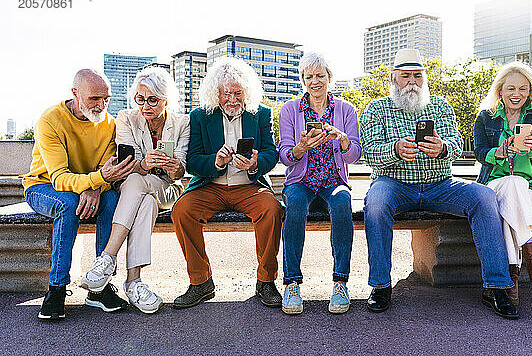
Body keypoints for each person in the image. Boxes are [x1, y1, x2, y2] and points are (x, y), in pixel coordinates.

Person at [360, 49, 519, 319]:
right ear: (392, 78)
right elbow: (370, 152)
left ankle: (497, 287)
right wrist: (395, 150)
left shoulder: (441, 105)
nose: (412, 82)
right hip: (394, 184)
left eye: (417, 76)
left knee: (484, 197)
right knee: (375, 204)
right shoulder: (376, 109)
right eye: (405, 76)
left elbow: (456, 144)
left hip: (439, 184)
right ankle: (380, 285)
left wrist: (442, 147)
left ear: (425, 78)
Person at [22, 69, 137, 320]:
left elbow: (112, 171)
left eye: (106, 98)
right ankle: (57, 288)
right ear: (75, 93)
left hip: (92, 187)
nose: (101, 105)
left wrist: (96, 186)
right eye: (94, 99)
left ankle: (100, 285)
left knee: (112, 201)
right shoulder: (50, 119)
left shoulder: (109, 124)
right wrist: (97, 180)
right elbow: (59, 177)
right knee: (68, 204)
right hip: (43, 187)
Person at [170, 56, 283, 309]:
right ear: (215, 93)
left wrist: (254, 162)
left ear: (247, 92)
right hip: (210, 185)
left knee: (272, 209)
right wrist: (217, 162)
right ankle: (200, 282)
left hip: (249, 186)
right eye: (226, 93)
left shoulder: (261, 113)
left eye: (238, 93)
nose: (232, 99)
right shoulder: (199, 116)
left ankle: (266, 280)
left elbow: (270, 153)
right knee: (182, 210)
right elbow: (193, 160)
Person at [80, 67, 189, 314]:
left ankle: (107, 258)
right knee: (144, 198)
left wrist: (174, 168)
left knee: (139, 185)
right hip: (137, 188)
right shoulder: (126, 118)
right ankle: (134, 282)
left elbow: (181, 171)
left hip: (167, 188)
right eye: (140, 99)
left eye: (152, 100)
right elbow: (127, 165)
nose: (145, 106)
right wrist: (143, 164)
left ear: (165, 100)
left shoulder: (182, 122)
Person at [278, 52, 361, 315]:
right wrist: (300, 148)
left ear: (329, 78)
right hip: (301, 181)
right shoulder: (290, 110)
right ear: (302, 79)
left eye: (320, 76)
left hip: (333, 181)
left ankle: (340, 282)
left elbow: (355, 154)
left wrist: (343, 140)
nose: (315, 81)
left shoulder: (346, 110)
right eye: (309, 76)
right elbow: (285, 155)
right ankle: (292, 282)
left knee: (342, 203)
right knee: (295, 206)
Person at [474, 61, 532, 306]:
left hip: (531, 190)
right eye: (510, 88)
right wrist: (497, 153)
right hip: (494, 185)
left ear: (530, 91)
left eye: (523, 89)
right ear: (500, 91)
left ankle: (511, 281)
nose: (516, 94)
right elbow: (479, 152)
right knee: (510, 184)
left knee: (515, 188)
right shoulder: (486, 117)